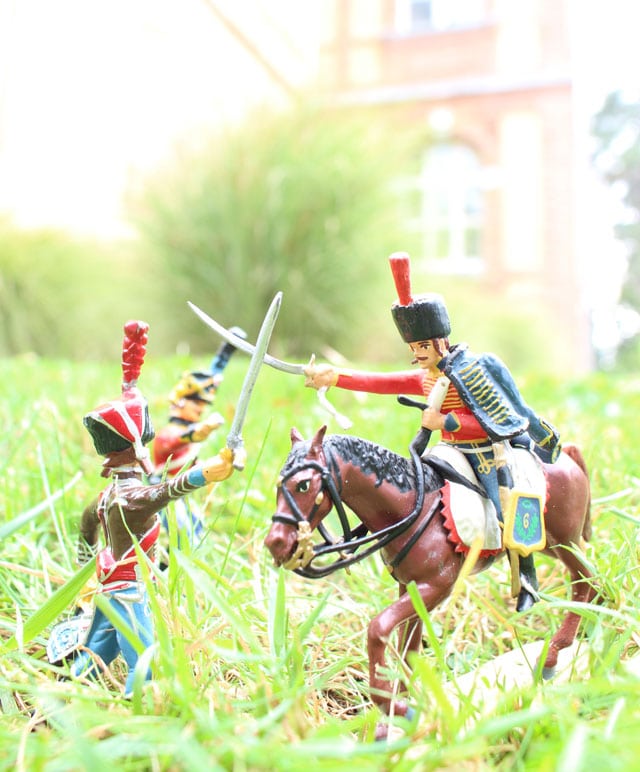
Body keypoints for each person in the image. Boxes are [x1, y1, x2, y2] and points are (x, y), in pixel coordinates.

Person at [304, 252, 561, 612]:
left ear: (440, 342)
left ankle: (526, 575)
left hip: (486, 453)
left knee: (506, 506)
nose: (417, 354)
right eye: (413, 348)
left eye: (422, 346)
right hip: (447, 452)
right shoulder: (425, 376)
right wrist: (335, 377)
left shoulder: (474, 372)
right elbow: (381, 382)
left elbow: (492, 421)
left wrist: (446, 423)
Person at [71, 321, 242, 697]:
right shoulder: (132, 497)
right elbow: (168, 490)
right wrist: (208, 471)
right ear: (135, 447)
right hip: (128, 589)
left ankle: (77, 682)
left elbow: (87, 525)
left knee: (101, 646)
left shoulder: (108, 494)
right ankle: (141, 700)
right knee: (145, 655)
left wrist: (131, 374)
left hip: (108, 580)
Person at [151, 329, 245, 548]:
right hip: (163, 493)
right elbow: (175, 440)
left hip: (183, 491)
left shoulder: (191, 420)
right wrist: (201, 431)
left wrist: (227, 350)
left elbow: (212, 376)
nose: (201, 409)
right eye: (198, 405)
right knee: (184, 535)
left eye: (203, 406)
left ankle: (172, 564)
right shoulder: (170, 432)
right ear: (182, 402)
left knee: (196, 528)